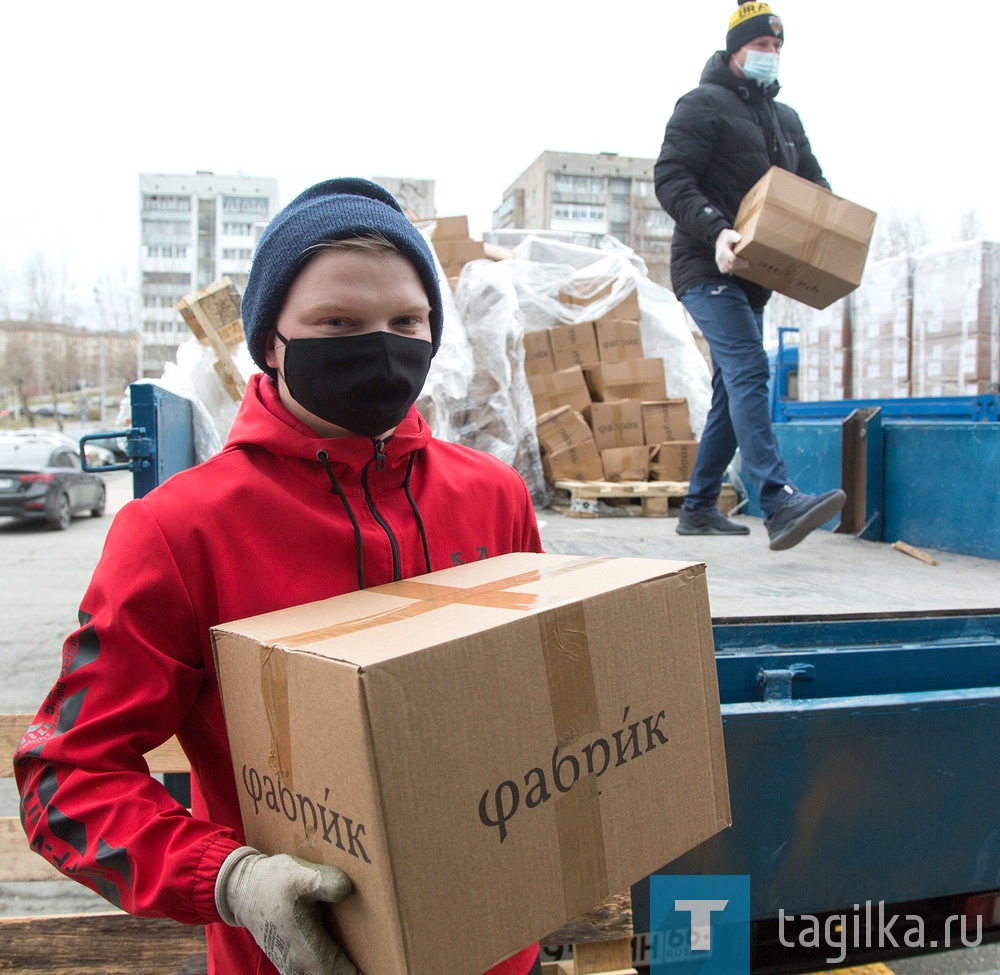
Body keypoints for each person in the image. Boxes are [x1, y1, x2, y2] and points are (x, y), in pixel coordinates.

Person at [13, 178, 544, 975]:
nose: (382, 344)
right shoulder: (179, 530)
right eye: (338, 323)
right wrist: (229, 878)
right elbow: (65, 775)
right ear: (272, 342)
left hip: (497, 951)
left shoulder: (492, 496)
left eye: (407, 321)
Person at [654, 1, 846, 551]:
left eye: (777, 48)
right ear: (736, 49)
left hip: (755, 273)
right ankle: (778, 499)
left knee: (729, 390)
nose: (771, 56)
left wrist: (827, 232)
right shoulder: (702, 105)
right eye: (761, 46)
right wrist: (716, 230)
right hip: (706, 264)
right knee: (749, 368)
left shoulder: (786, 120)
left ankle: (697, 506)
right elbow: (670, 177)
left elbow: (812, 187)